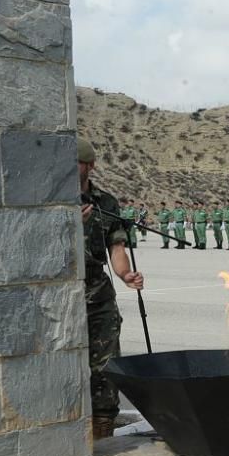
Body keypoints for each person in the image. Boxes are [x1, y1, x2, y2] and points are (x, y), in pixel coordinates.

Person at [77, 138, 145, 439]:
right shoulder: (46, 200)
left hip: (96, 290)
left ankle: (102, 428)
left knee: (104, 364)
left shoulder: (106, 203)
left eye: (75, 161)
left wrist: (125, 274)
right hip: (58, 293)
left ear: (89, 165)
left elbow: (115, 246)